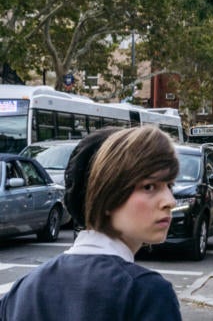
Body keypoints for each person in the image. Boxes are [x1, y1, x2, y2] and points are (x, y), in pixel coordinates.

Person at [0, 126, 183, 320]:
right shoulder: (145, 293)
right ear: (107, 195)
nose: (169, 201)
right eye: (149, 186)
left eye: (169, 185)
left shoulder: (23, 290)